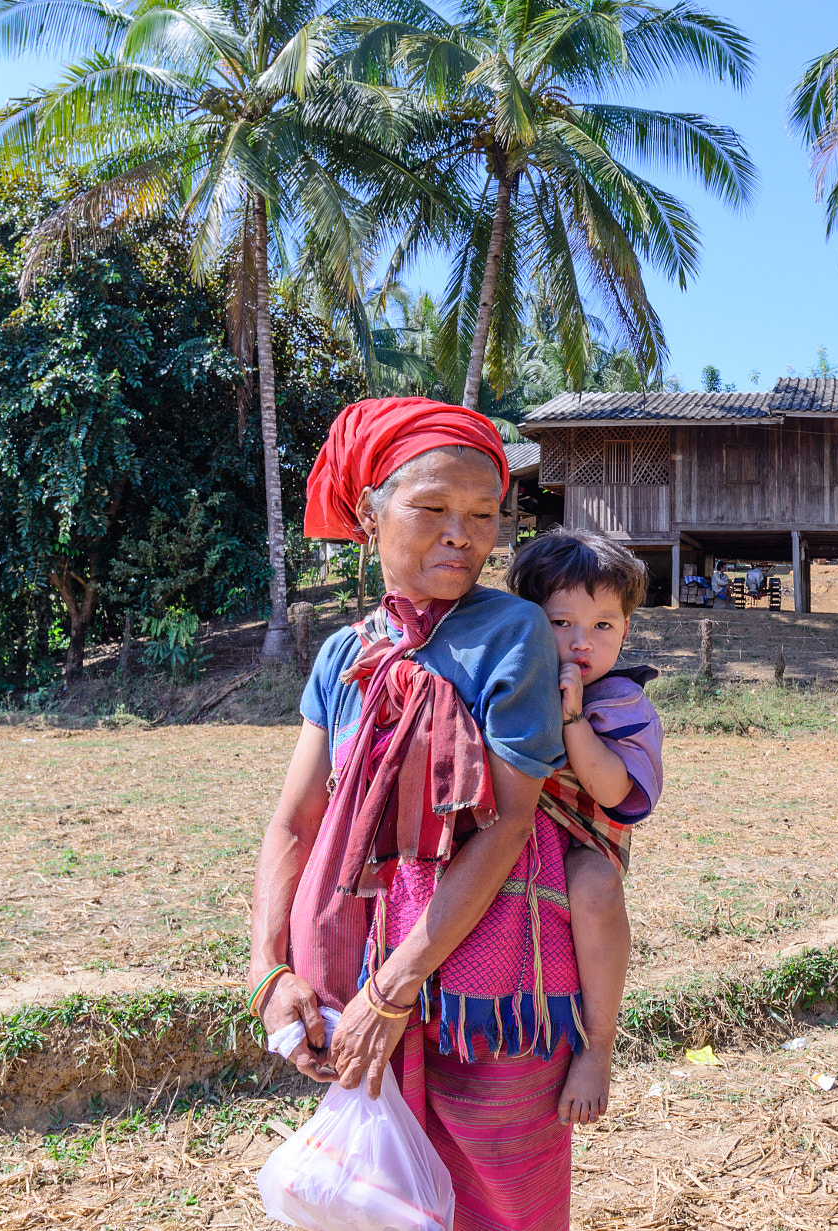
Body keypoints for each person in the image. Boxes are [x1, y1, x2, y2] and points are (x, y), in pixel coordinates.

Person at [247, 396, 578, 1231]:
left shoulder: (512, 632)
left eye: (481, 515)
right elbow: (296, 822)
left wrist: (395, 991)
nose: (461, 535)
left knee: (499, 1198)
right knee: (378, 1198)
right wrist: (267, 972)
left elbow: (507, 822)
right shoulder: (342, 653)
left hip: (483, 979)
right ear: (370, 512)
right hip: (356, 968)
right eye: (431, 508)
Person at [506, 529, 665, 1126]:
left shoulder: (621, 701)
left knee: (597, 886)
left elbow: (614, 791)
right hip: (509, 831)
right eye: (561, 623)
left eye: (603, 626)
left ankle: (599, 1047)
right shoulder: (510, 681)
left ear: (625, 631)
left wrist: (572, 717)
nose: (582, 642)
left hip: (584, 839)